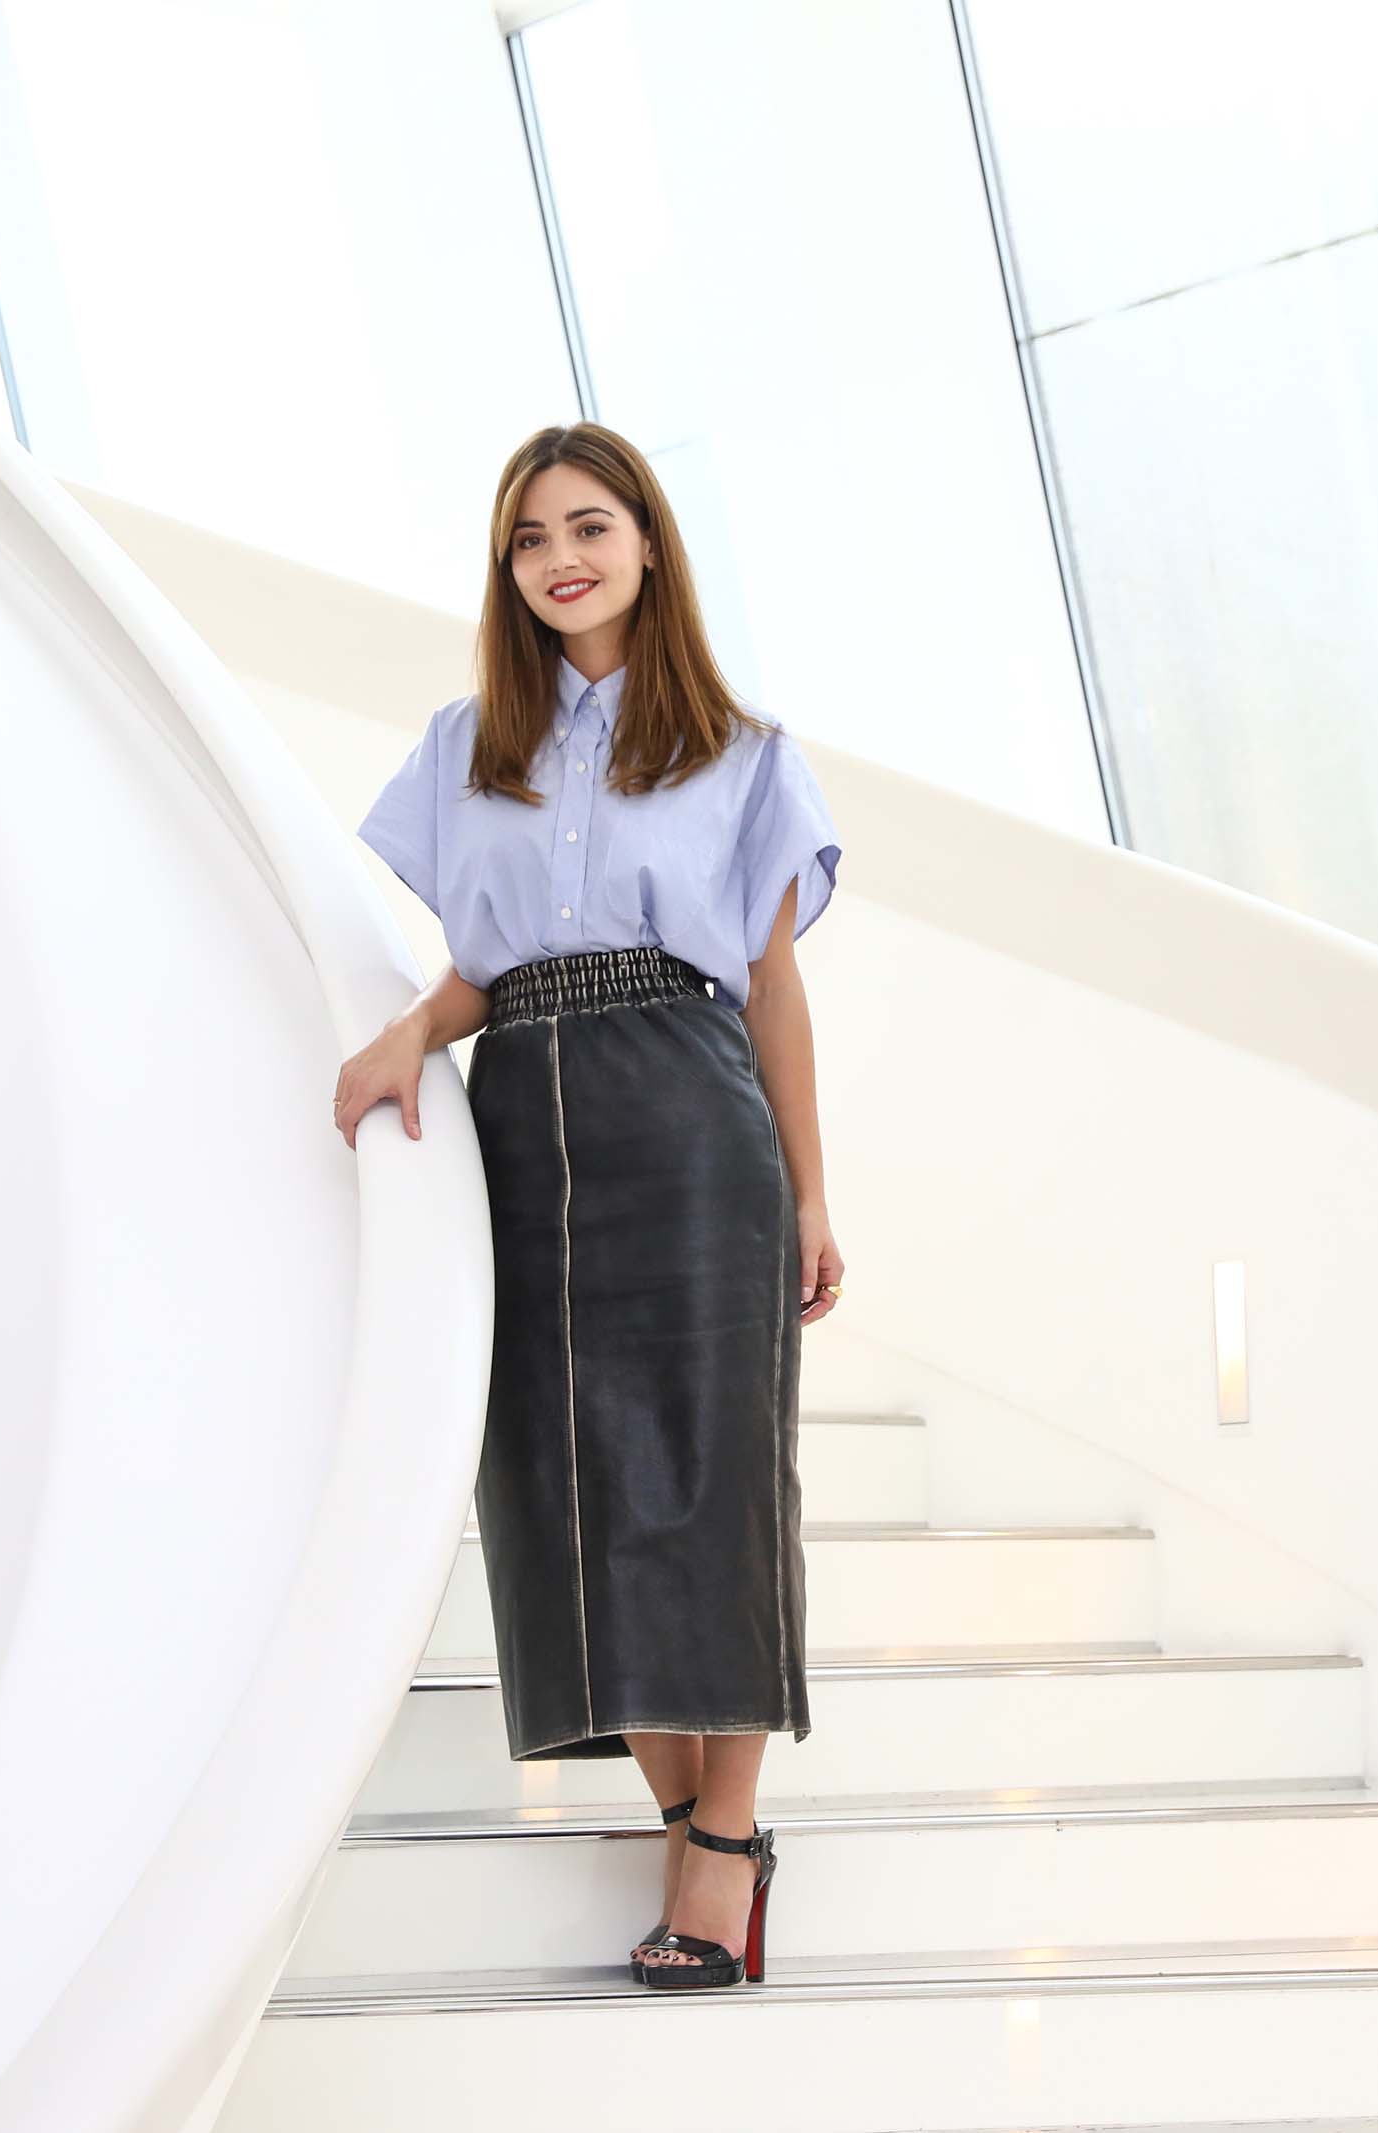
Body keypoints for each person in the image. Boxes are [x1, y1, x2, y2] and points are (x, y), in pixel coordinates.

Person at [331, 421, 846, 1991]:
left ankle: (727, 1839)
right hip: (526, 1126)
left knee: (712, 1480)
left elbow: (769, 983)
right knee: (561, 1485)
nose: (560, 556)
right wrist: (418, 1027)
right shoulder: (460, 742)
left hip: (691, 1112)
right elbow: (487, 969)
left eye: (588, 525)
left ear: (645, 542)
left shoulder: (742, 752)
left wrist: (813, 1189)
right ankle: (702, 1824)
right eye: (529, 536)